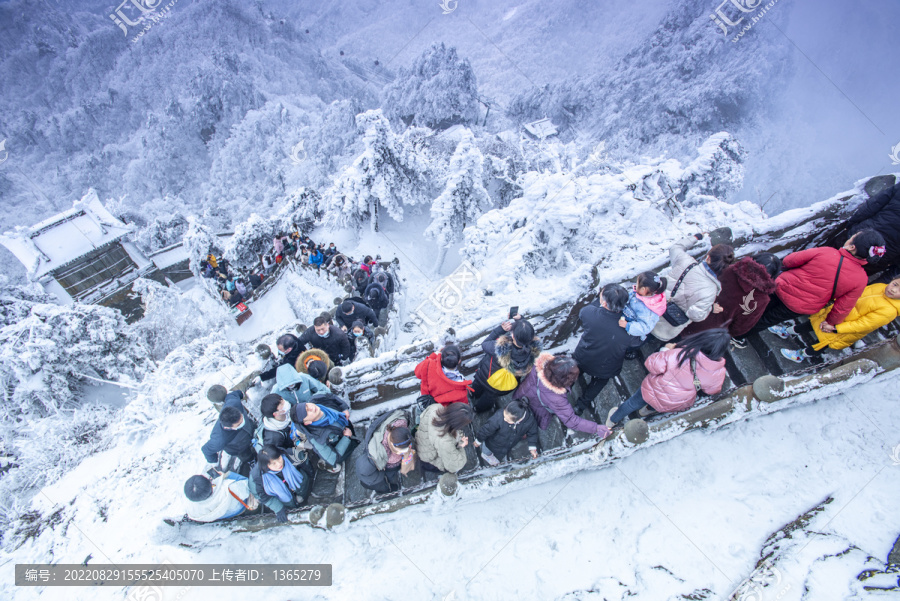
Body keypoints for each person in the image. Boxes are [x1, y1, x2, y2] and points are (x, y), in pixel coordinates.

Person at [753, 229, 886, 334]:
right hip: (801, 307)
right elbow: (843, 306)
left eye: (852, 237)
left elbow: (789, 260)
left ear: (851, 247)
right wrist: (831, 322)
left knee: (755, 308)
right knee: (768, 320)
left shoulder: (827, 252)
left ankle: (736, 324)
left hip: (782, 287)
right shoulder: (861, 279)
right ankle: (740, 336)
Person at [607, 329, 730, 427]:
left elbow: (651, 364)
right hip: (675, 400)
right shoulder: (718, 372)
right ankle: (646, 411)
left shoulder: (679, 355)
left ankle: (613, 420)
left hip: (652, 388)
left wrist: (665, 350)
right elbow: (712, 390)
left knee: (632, 403)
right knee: (657, 404)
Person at [776, 278, 900, 362]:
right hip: (836, 314)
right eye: (895, 284)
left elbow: (864, 325)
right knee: (812, 323)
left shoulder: (889, 311)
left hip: (843, 329)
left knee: (821, 343)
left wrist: (837, 329)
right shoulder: (880, 287)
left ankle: (801, 355)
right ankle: (786, 331)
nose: (894, 290)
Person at [650, 235, 735, 341]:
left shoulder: (686, 262)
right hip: (665, 327)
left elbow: (675, 248)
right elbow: (695, 315)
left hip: (651, 308)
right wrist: (710, 308)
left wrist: (695, 237)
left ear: (708, 258)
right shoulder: (711, 291)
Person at [682, 253, 780, 341]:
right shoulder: (762, 299)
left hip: (689, 313)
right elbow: (743, 325)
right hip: (708, 332)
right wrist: (725, 332)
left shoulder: (730, 269)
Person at [572, 284, 637, 415]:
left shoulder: (589, 313)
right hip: (607, 365)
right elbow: (636, 342)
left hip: (585, 356)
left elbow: (584, 313)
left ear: (604, 302)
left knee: (573, 372)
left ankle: (564, 390)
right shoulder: (630, 328)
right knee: (599, 382)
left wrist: (599, 300)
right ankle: (581, 405)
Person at [516, 353, 611, 438]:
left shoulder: (538, 366)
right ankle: (522, 432)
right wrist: (596, 428)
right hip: (537, 409)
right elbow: (571, 420)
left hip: (523, 394)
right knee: (526, 422)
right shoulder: (557, 399)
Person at [469, 317, 542, 412]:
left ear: (513, 336)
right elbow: (527, 335)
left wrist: (501, 329)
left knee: (477, 386)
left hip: (485, 376)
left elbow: (485, 344)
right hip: (503, 386)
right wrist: (520, 320)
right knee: (489, 397)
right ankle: (478, 409)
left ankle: (473, 394)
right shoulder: (534, 350)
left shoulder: (501, 348)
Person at [291, 393, 357, 473]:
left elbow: (331, 397)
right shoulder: (317, 439)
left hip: (343, 428)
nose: (311, 408)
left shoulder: (317, 399)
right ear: (307, 422)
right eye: (306, 413)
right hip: (340, 443)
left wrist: (344, 408)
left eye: (307, 405)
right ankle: (326, 464)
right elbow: (333, 457)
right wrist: (346, 438)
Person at [842, 182, 899, 273]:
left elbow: (873, 204)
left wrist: (851, 223)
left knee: (826, 260)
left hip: (859, 235)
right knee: (849, 278)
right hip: (882, 255)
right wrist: (894, 263)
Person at [355, 409, 416, 494]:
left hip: (393, 463)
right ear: (392, 445)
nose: (403, 452)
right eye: (400, 450)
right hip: (389, 466)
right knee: (391, 475)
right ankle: (391, 483)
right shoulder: (380, 452)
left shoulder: (400, 426)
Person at [248, 446, 312, 523]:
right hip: (287, 502)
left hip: (303, 488)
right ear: (266, 466)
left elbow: (306, 465)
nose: (279, 464)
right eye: (273, 463)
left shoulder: (292, 455)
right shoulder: (256, 478)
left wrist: (311, 478)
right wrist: (279, 508)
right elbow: (263, 497)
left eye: (278, 458)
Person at [201, 389, 258, 476]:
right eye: (239, 424)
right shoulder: (219, 439)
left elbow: (235, 394)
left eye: (242, 417)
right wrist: (214, 461)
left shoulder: (234, 403)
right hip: (239, 448)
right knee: (246, 456)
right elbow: (206, 450)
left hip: (250, 429)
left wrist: (241, 394)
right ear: (228, 427)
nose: (242, 422)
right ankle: (251, 460)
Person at [474, 399, 539, 466]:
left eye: (508, 420)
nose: (504, 418)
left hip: (509, 443)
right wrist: (478, 440)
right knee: (486, 450)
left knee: (502, 452)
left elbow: (533, 433)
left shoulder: (530, 420)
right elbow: (486, 429)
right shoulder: (499, 417)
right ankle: (486, 455)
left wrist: (532, 447)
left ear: (518, 420)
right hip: (492, 442)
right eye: (504, 414)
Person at [415, 402, 473, 474]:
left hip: (422, 441)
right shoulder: (445, 441)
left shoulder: (436, 407)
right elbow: (455, 465)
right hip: (428, 458)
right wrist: (461, 446)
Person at [184, 471, 257, 522]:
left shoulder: (191, 508)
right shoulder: (230, 487)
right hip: (239, 509)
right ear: (209, 483)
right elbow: (247, 486)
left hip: (225, 514)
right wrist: (226, 475)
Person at [620, 272, 668, 340]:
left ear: (643, 289)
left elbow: (645, 328)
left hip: (632, 333)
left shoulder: (649, 311)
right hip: (626, 315)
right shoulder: (642, 294)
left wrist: (627, 326)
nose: (635, 285)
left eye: (637, 283)